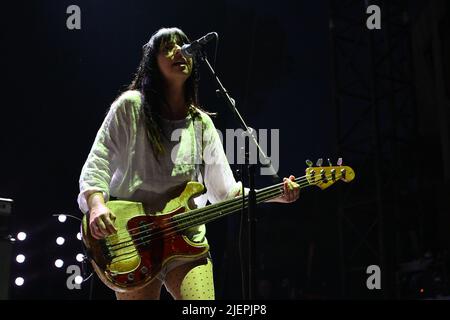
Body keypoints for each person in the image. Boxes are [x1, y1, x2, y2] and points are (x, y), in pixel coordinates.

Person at [77, 27, 300, 300]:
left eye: (183, 46)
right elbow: (98, 161)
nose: (179, 52)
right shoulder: (130, 107)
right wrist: (97, 204)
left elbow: (225, 192)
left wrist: (277, 194)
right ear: (152, 63)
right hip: (134, 242)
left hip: (186, 241)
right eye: (167, 48)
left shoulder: (201, 123)